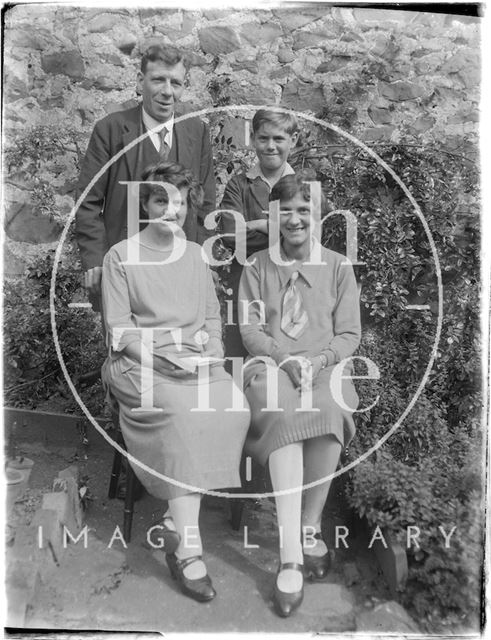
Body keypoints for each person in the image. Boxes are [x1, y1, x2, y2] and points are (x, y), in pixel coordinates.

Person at [101, 162, 249, 603]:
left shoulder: (193, 255)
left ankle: (171, 516)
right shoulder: (120, 257)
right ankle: (188, 549)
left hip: (193, 360)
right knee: (184, 415)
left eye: (180, 202)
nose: (172, 210)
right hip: (139, 364)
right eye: (162, 200)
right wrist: (165, 363)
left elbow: (209, 316)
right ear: (146, 204)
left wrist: (211, 355)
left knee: (232, 406)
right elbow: (121, 332)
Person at [238, 173, 361, 617]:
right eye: (285, 210)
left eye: (303, 210)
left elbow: (349, 333)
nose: (294, 219)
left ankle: (311, 525)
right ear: (273, 216)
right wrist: (282, 358)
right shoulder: (256, 268)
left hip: (322, 363)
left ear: (318, 216)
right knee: (284, 409)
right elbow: (250, 330)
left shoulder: (337, 266)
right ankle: (290, 553)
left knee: (331, 406)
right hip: (269, 364)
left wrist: (323, 360)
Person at [76, 44, 216, 311]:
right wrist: (96, 261)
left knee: (178, 348)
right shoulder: (111, 130)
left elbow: (205, 203)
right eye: (158, 80)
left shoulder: (196, 132)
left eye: (175, 82)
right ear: (141, 82)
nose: (167, 91)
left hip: (180, 270)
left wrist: (201, 260)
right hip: (124, 270)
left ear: (183, 87)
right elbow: (88, 203)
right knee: (126, 349)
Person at [219, 109, 298, 362]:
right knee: (241, 352)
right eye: (263, 139)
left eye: (279, 139)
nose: (270, 146)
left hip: (292, 281)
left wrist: (259, 224)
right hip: (245, 279)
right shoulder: (239, 184)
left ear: (293, 141)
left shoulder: (304, 184)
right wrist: (282, 230)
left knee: (288, 351)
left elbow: (311, 236)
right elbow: (231, 235)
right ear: (253, 140)